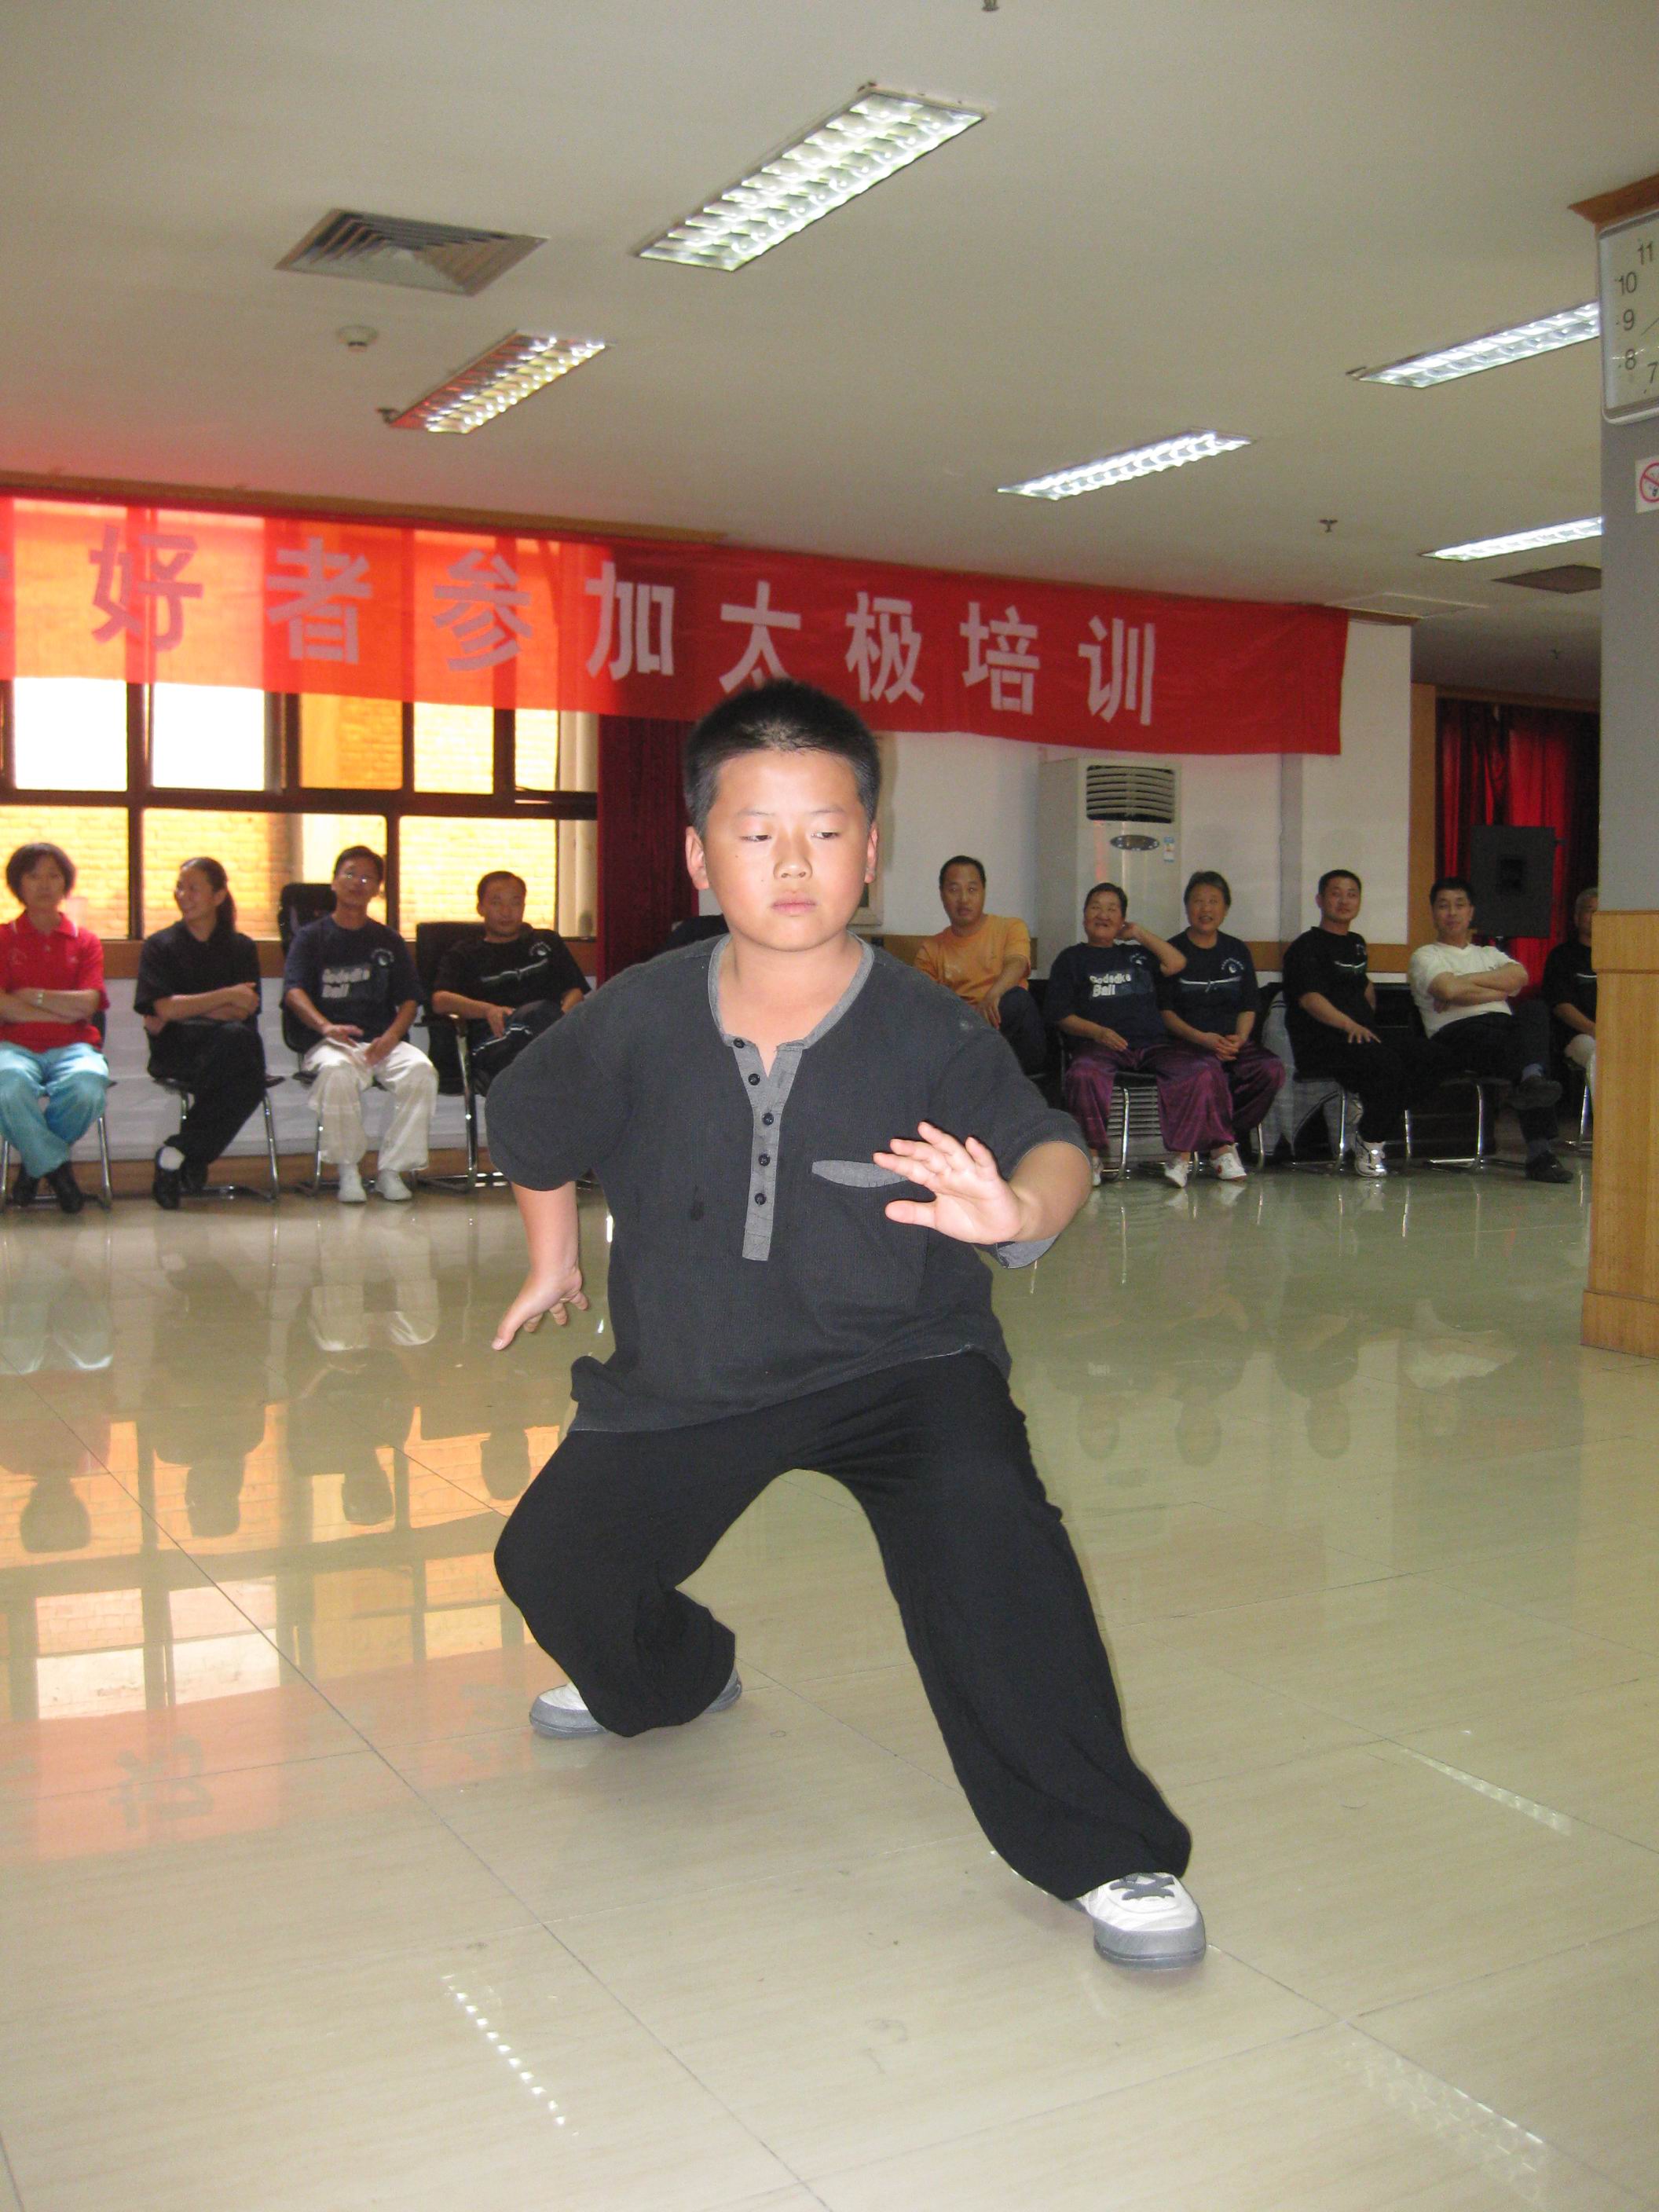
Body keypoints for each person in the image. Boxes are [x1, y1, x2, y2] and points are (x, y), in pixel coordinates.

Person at [485, 679, 1203, 1972]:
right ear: (698, 854)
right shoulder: (640, 1011)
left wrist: (1017, 1214)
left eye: (824, 832)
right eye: (755, 833)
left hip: (903, 1363)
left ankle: (1103, 1846)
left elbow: (1050, 1144)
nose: (792, 863)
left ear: (870, 853)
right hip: (695, 1370)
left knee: (997, 1544)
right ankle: (679, 1674)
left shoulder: (929, 1028)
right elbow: (534, 1120)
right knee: (549, 1564)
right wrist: (552, 1258)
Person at [1046, 881, 1235, 1188]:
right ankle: (1090, 1157)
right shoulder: (1071, 959)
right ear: (1084, 916)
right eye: (1096, 907)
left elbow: (1177, 962)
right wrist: (1098, 1032)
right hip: (1100, 1046)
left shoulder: (1138, 955)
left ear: (1122, 919)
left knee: (1203, 1067)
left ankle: (1183, 1156)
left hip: (1152, 1045)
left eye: (1112, 909)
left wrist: (1138, 933)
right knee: (1083, 1073)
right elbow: (1060, 1015)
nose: (1103, 915)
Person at [281, 846, 437, 1204]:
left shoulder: (388, 940)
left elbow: (410, 999)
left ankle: (391, 1170)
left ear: (377, 889)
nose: (356, 883)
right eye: (349, 874)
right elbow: (293, 992)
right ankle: (348, 1170)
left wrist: (392, 1037)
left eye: (367, 878)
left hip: (383, 1039)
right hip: (332, 1042)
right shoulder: (310, 937)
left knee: (421, 1072)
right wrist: (325, 1027)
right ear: (334, 882)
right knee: (336, 1073)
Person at [1407, 876, 1570, 1183]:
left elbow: (1520, 977)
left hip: (1503, 1030)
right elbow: (1447, 989)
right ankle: (1540, 1153)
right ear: (1433, 913)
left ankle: (1531, 1079)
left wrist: (1462, 983)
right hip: (1457, 1035)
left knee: (1535, 1012)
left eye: (1459, 905)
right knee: (1527, 1055)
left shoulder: (1488, 954)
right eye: (1443, 906)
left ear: (1471, 912)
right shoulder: (1426, 956)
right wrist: (1497, 991)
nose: (1452, 913)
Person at [1281, 868, 1437, 1178]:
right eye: (1336, 894)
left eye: (1352, 894)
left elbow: (1361, 985)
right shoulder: (1305, 946)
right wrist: (1349, 1025)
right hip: (1325, 1040)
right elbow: (1310, 999)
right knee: (1387, 1066)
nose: (1344, 901)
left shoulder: (1357, 943)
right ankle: (1370, 1140)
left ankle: (1369, 1117)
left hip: (1363, 1036)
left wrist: (1366, 1016)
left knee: (1433, 1057)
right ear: (1320, 900)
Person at [135, 857, 269, 1208]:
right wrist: (225, 996)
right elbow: (163, 1009)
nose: (183, 895)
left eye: (193, 888)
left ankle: (177, 1153)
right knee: (245, 1071)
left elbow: (244, 1009)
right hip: (178, 1051)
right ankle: (191, 1158)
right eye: (180, 887)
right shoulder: (160, 945)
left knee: (238, 1042)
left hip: (230, 1050)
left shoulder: (241, 947)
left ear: (218, 896)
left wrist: (182, 1007)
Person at [0, 841, 109, 1214]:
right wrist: (62, 1010)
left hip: (75, 1046)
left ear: (66, 883)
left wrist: (31, 997)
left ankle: (35, 1164)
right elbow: (2, 1007)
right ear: (18, 884)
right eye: (34, 876)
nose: (45, 884)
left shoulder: (86, 941)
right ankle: (55, 1167)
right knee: (7, 1087)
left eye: (53, 876)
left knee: (88, 1087)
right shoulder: (3, 938)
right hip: (13, 1046)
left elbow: (88, 1004)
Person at [1157, 870, 1286, 1176]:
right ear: (1187, 907)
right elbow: (1166, 1013)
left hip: (1232, 1042)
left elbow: (1249, 1005)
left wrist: (1240, 1038)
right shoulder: (1171, 950)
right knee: (1207, 1070)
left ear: (1225, 908)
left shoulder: (1237, 950)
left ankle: (1219, 1137)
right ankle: (1221, 1148)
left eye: (1213, 901)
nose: (1206, 909)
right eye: (1198, 901)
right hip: (1187, 1044)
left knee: (1270, 1069)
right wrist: (1203, 1039)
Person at [430, 870, 588, 1094]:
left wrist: (558, 1022)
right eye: (497, 903)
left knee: (541, 1026)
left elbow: (575, 992)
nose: (506, 912)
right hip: (496, 1039)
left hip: (545, 1035)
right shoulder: (465, 953)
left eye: (515, 903)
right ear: (481, 908)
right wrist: (488, 1010)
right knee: (541, 1023)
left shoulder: (547, 942)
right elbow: (440, 1001)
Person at [913, 855, 1048, 1076]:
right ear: (942, 894)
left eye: (972, 889)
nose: (964, 899)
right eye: (954, 890)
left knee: (1017, 1000)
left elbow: (1017, 962)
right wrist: (973, 1016)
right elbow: (925, 1004)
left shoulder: (1011, 927)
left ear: (983, 891)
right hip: (961, 1034)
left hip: (1010, 1035)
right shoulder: (931, 949)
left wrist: (992, 996)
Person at [1542, 885, 1598, 1102]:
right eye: (1590, 910)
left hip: (1618, 1034)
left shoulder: (1620, 957)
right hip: (1579, 1036)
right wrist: (1596, 1030)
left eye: (1601, 911)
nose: (1595, 916)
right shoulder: (1562, 957)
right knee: (1600, 1057)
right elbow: (1561, 1006)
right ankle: (1610, 1117)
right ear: (1576, 917)